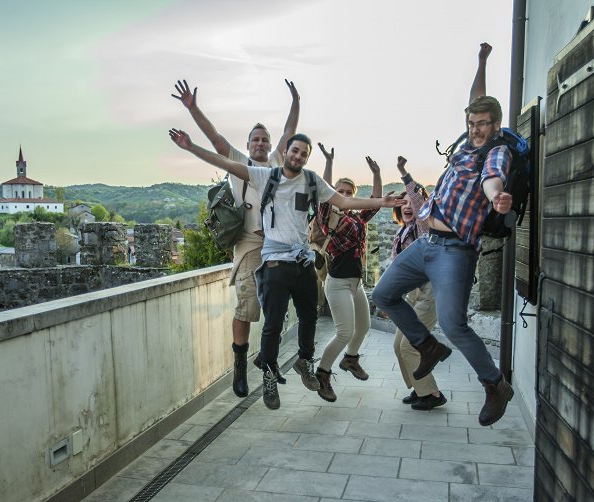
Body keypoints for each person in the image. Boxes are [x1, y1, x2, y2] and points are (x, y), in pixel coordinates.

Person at [169, 130, 405, 409]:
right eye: (295, 150)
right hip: (274, 261)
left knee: (309, 317)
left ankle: (304, 361)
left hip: (302, 260)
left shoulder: (312, 181)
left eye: (304, 153)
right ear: (286, 153)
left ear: (306, 158)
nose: (298, 156)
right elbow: (226, 164)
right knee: (273, 325)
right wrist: (190, 146)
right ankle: (269, 376)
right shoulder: (265, 176)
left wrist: (380, 202)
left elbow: (343, 202)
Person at [371, 42, 515, 426]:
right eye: (471, 123)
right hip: (426, 243)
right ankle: (427, 345)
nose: (476, 129)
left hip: (455, 252)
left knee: (455, 323)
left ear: (495, 124)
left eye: (483, 123)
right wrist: (481, 61)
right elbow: (475, 100)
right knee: (383, 293)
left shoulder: (496, 152)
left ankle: (495, 385)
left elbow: (492, 180)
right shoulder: (467, 142)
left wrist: (497, 197)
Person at [172, 79, 300, 397]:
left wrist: (296, 99)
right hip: (250, 245)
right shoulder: (237, 163)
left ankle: (268, 361)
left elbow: (290, 129)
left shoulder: (275, 163)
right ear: (248, 143)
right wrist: (193, 108)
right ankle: (240, 367)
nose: (260, 143)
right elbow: (214, 138)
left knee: (278, 308)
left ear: (270, 146)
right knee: (245, 308)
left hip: (279, 247)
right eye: (255, 139)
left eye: (264, 139)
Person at [312, 145, 382, 403]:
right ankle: (322, 373)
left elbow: (375, 201)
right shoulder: (327, 216)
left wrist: (376, 173)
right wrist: (329, 162)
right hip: (338, 283)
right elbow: (324, 189)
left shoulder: (357, 219)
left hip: (356, 284)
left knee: (363, 327)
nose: (343, 195)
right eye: (340, 192)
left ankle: (350, 359)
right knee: (344, 332)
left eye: (348, 193)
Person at [390, 156, 446, 410]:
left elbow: (418, 200)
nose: (408, 206)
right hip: (412, 295)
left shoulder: (425, 227)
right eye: (403, 203)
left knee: (410, 346)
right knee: (397, 345)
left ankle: (432, 394)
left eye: (410, 202)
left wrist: (404, 174)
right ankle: (418, 387)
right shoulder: (401, 233)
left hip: (430, 292)